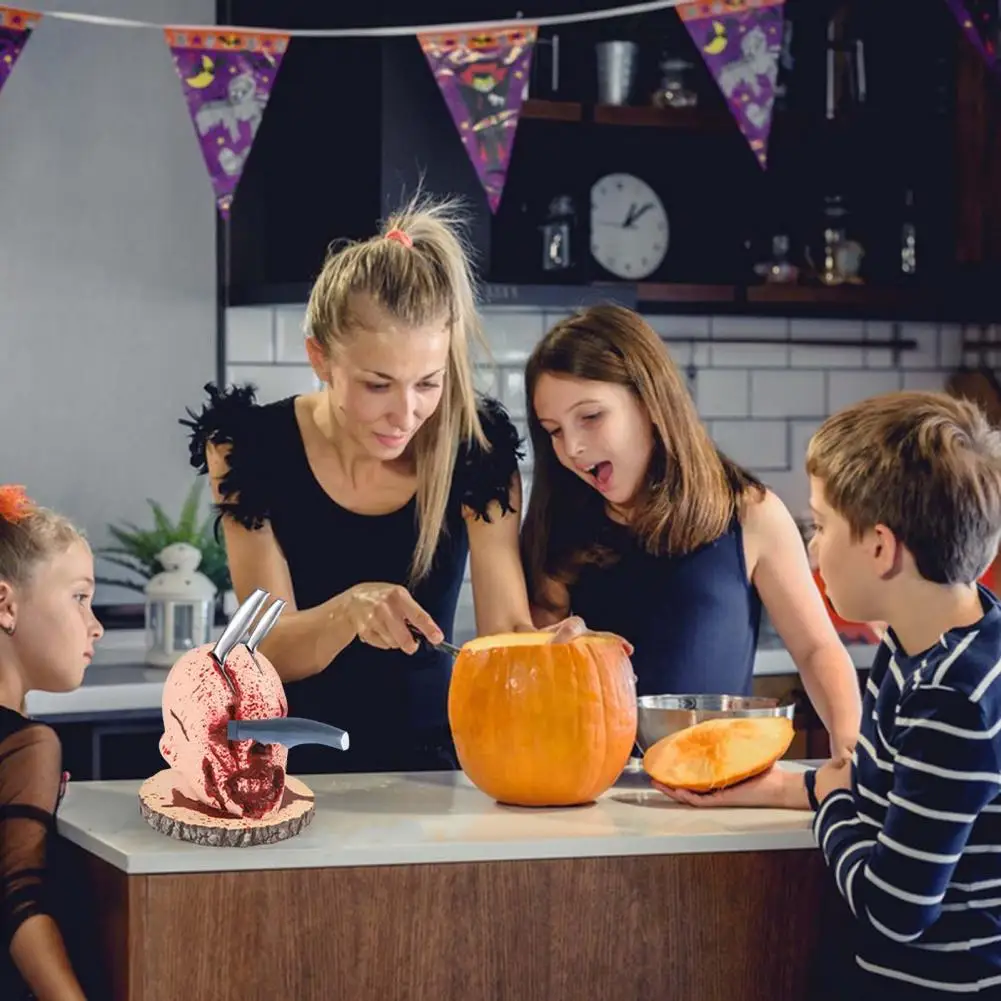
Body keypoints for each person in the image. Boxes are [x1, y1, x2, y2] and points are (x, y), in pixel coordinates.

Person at [182, 195, 586, 777]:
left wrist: (555, 652)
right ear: (319, 358)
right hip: (287, 769)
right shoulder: (247, 448)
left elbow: (507, 632)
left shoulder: (478, 450)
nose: (407, 412)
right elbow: (262, 652)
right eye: (378, 385)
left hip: (435, 769)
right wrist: (349, 611)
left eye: (429, 382)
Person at [657, 391, 1001, 998]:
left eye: (820, 525)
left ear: (879, 548)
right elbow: (874, 792)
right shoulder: (915, 645)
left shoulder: (952, 701)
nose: (812, 548)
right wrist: (793, 788)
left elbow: (894, 909)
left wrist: (830, 808)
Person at [521, 304, 862, 761]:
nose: (573, 448)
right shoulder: (558, 525)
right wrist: (554, 656)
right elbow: (533, 688)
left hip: (721, 787)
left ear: (649, 402)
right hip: (593, 793)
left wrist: (850, 755)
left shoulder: (752, 514)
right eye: (554, 432)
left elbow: (818, 650)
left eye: (591, 417)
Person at [0, 484, 104, 1001]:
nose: (96, 626)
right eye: (80, 597)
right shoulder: (28, 743)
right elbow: (18, 903)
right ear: (5, 603)